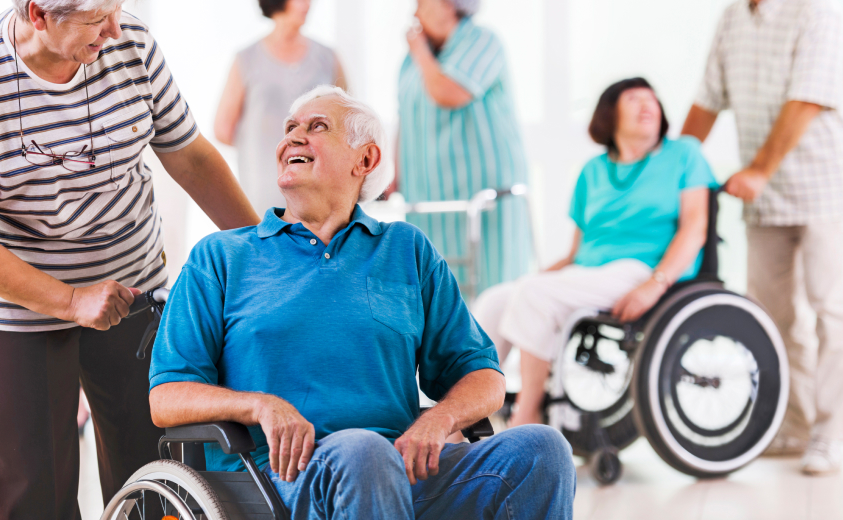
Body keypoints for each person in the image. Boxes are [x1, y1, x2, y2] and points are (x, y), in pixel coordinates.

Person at [149, 86, 576, 520]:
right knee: (363, 451)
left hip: (400, 469)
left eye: (317, 127)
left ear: (365, 160)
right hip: (276, 480)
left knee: (542, 449)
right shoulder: (221, 256)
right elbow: (166, 396)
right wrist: (258, 404)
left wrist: (440, 419)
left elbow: (482, 374)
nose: (293, 139)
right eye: (289, 129)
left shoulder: (406, 249)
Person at [0, 1, 260, 518]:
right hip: (18, 305)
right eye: (97, 17)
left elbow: (189, 156)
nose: (115, 28)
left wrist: (263, 256)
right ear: (38, 14)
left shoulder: (131, 43)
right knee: (35, 491)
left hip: (133, 284)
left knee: (153, 469)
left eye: (117, 9)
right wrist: (71, 300)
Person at [473, 78, 716, 426]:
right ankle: (467, 412)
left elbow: (695, 229)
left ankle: (528, 416)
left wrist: (655, 284)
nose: (648, 105)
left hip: (642, 270)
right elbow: (576, 252)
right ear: (610, 114)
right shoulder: (593, 171)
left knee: (532, 294)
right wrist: (533, 280)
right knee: (497, 299)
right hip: (588, 272)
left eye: (652, 99)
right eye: (634, 98)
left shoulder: (684, 155)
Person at [681, 0, 843, 475]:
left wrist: (758, 169)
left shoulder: (815, 11)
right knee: (773, 317)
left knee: (831, 313)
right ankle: (792, 425)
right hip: (766, 200)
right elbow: (707, 101)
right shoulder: (734, 17)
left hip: (823, 189)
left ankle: (831, 430)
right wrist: (670, 166)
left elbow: (808, 99)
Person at [396, 0, 530, 295]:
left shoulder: (482, 41)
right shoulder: (415, 59)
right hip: (430, 193)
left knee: (489, 285)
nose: (414, 12)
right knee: (438, 287)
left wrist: (419, 50)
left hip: (482, 192)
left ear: (447, 5)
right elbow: (404, 116)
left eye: (420, 3)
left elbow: (447, 92)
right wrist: (394, 175)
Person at [214, 0, 347, 215]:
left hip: (318, 189)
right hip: (261, 187)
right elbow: (222, 129)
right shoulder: (246, 59)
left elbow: (346, 123)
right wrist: (262, 145)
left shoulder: (328, 58)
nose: (307, 4)